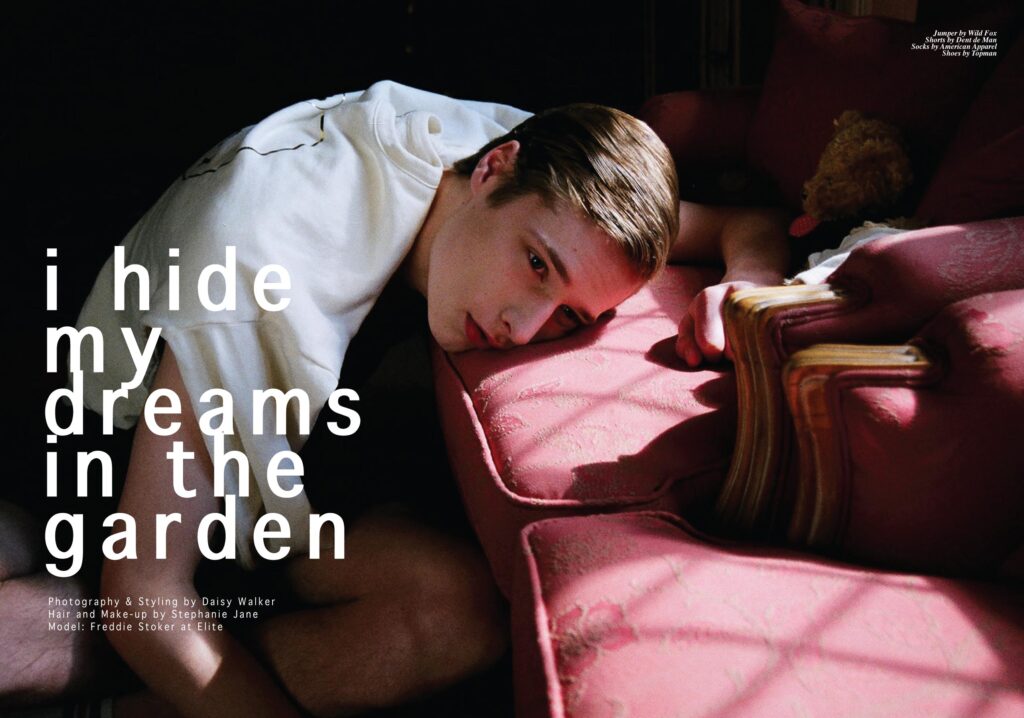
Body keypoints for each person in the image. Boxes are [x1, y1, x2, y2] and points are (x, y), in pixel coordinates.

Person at [4, 80, 787, 717]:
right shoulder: (257, 271)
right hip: (92, 435)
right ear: (495, 171)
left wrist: (745, 288)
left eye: (570, 317)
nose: (522, 327)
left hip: (265, 432)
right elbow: (145, 589)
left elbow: (744, 224)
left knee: (454, 613)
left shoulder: (532, 170)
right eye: (536, 267)